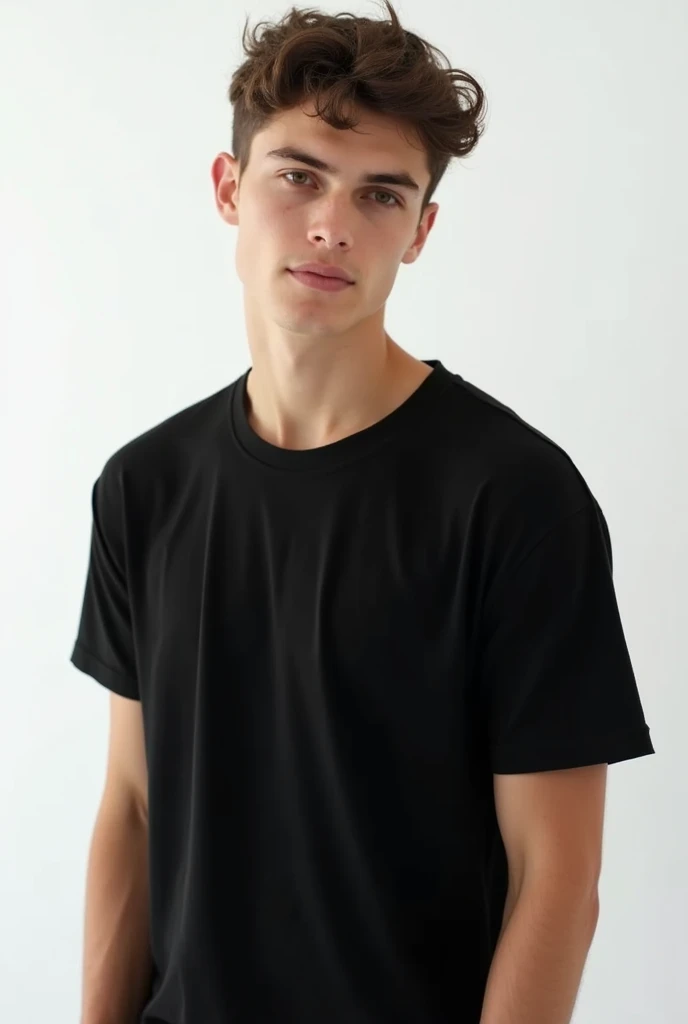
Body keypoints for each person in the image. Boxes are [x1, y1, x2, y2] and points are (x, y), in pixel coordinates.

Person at [70, 2, 655, 1022]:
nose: (332, 224)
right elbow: (132, 804)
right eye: (297, 175)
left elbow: (555, 875)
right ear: (228, 187)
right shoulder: (144, 486)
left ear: (421, 229)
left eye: (380, 194)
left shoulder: (514, 498)